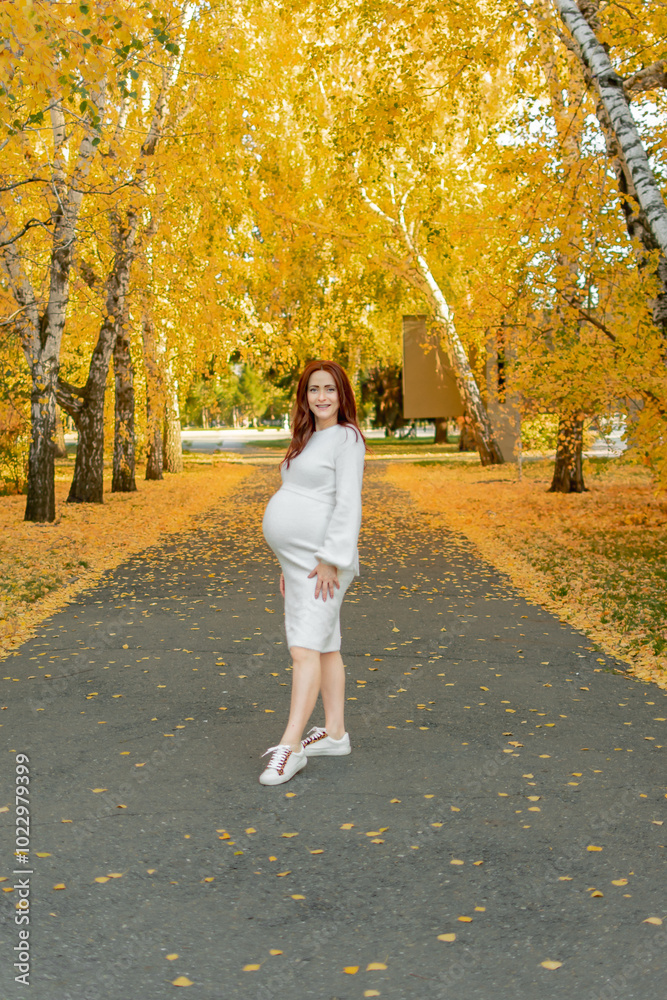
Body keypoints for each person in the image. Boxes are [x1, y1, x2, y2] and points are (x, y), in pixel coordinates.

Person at [260, 360, 366, 785]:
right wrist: (288, 561)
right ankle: (335, 734)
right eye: (313, 390)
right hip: (302, 562)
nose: (321, 397)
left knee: (303, 649)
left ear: (343, 396)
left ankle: (289, 748)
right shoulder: (307, 438)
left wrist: (329, 559)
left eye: (330, 390)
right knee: (324, 647)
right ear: (305, 396)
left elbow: (347, 502)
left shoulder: (347, 438)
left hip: (325, 562)